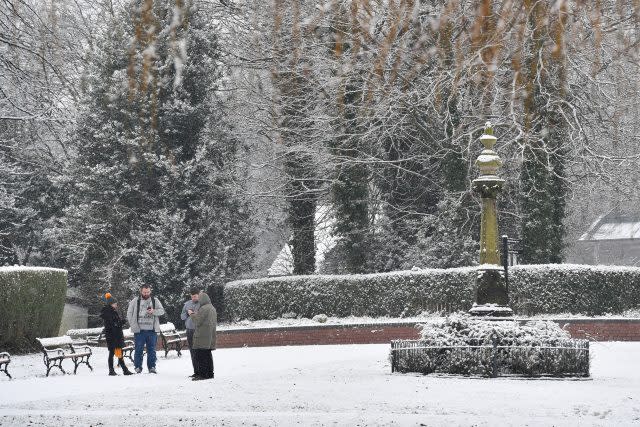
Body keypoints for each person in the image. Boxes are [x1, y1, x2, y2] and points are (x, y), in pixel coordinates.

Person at [126, 284, 165, 374]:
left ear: (150, 291)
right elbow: (129, 313)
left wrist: (153, 311)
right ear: (141, 291)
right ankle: (138, 367)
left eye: (148, 292)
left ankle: (152, 367)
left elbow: (162, 311)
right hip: (139, 331)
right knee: (138, 349)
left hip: (152, 330)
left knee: (151, 350)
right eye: (144, 292)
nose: (146, 293)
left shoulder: (155, 300)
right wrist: (133, 325)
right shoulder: (135, 301)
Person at [100, 292, 133, 376]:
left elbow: (116, 323)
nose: (116, 305)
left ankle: (124, 370)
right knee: (111, 353)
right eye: (115, 304)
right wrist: (119, 323)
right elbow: (111, 325)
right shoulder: (107, 312)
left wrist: (121, 322)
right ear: (110, 304)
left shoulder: (112, 311)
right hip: (112, 337)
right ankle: (111, 370)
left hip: (116, 336)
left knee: (119, 353)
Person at [188, 291, 217, 381]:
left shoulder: (204, 308)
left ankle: (203, 375)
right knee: (208, 356)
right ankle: (209, 373)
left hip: (202, 336)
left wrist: (191, 314)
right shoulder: (212, 308)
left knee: (201, 356)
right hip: (209, 335)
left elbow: (198, 321)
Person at [180, 288, 200, 378]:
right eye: (192, 297)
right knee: (192, 351)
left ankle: (202, 371)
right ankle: (196, 372)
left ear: (199, 295)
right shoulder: (187, 304)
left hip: (199, 330)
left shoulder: (203, 304)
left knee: (200, 351)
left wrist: (195, 313)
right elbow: (182, 317)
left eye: (195, 296)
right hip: (189, 330)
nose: (193, 298)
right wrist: (188, 314)